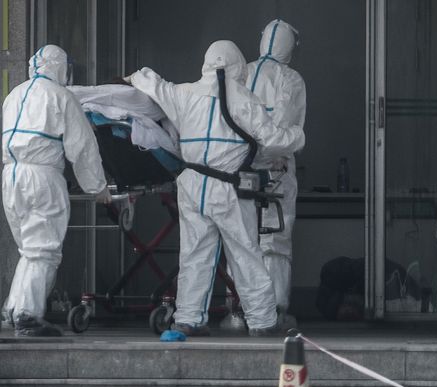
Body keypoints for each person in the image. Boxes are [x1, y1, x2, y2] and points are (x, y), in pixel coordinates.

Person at [125, 40, 305, 337]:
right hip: (229, 187)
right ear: (237, 65)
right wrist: (297, 136)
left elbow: (155, 85)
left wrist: (135, 77)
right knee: (245, 254)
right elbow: (273, 140)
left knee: (194, 255)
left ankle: (188, 318)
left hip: (193, 185)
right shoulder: (245, 100)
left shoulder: (184, 93)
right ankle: (262, 322)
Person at [1, 45, 111, 337]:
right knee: (43, 249)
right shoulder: (61, 97)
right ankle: (27, 314)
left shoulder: (14, 96)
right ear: (61, 67)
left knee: (29, 248)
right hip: (42, 176)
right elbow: (83, 147)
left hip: (11, 176)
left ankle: (13, 309)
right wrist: (98, 187)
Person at [246, 19, 307, 329]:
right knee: (275, 239)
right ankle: (275, 310)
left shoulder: (241, 73)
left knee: (242, 238)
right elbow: (285, 125)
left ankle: (242, 309)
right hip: (277, 170)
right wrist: (271, 158)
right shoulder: (290, 79)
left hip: (239, 170)